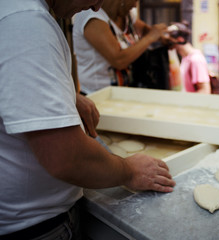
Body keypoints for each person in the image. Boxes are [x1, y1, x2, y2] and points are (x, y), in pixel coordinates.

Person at [0, 0, 175, 238]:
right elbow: (64, 157)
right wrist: (128, 170)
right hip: (37, 227)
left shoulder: (13, 12)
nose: (95, 7)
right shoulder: (26, 23)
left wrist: (66, 96)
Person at [73, 0, 168, 93]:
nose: (135, 5)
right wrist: (150, 37)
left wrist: (163, 37)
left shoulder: (125, 15)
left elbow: (144, 30)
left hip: (124, 92)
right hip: (99, 95)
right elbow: (119, 60)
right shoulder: (92, 18)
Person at [168, 21, 212, 94]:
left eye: (169, 41)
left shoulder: (195, 59)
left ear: (180, 39)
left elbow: (205, 91)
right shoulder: (186, 58)